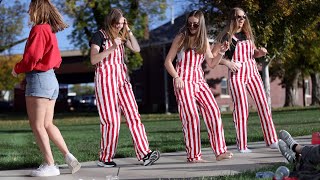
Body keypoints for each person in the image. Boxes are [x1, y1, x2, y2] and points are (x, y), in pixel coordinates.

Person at [11, 0, 81, 177]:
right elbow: (55, 59)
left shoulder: (38, 29)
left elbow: (32, 57)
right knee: (47, 124)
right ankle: (68, 156)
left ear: (36, 9)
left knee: (37, 125)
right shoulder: (49, 30)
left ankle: (50, 165)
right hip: (50, 79)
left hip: (39, 80)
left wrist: (17, 69)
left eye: (30, 8)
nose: (28, 12)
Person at [89, 8, 160, 167]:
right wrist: (112, 48)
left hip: (122, 81)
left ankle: (145, 154)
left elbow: (136, 48)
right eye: (117, 24)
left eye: (122, 24)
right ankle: (105, 158)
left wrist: (128, 30)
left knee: (134, 115)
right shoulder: (99, 36)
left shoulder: (122, 35)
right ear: (110, 22)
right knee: (111, 121)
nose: (119, 27)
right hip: (105, 82)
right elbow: (94, 59)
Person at [164, 10, 233, 162]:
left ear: (200, 24)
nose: (192, 27)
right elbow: (168, 61)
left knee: (214, 111)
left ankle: (220, 151)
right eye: (189, 24)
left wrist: (221, 52)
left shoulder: (204, 42)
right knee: (191, 117)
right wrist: (176, 77)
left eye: (195, 24)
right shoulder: (181, 38)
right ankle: (194, 156)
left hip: (199, 81)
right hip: (183, 81)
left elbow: (212, 63)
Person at [212, 7, 278, 153]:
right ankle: (242, 146)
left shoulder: (247, 34)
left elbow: (253, 53)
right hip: (237, 75)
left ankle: (272, 140)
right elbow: (211, 57)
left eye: (243, 17)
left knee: (263, 104)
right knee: (242, 108)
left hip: (253, 72)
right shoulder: (226, 37)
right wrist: (227, 63)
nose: (241, 20)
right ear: (232, 19)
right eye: (238, 17)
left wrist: (259, 53)